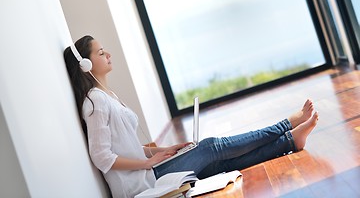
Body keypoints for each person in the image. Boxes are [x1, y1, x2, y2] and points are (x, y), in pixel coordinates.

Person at [63, 35, 319, 198]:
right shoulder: (94, 102)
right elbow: (101, 156)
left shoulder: (106, 96)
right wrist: (148, 163)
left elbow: (126, 146)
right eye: (100, 53)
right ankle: (287, 125)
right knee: (211, 147)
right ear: (85, 65)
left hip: (147, 172)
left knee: (216, 165)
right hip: (141, 185)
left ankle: (290, 142)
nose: (108, 55)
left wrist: (164, 149)